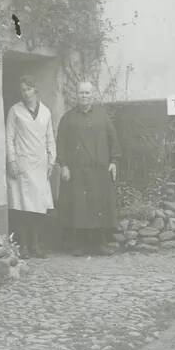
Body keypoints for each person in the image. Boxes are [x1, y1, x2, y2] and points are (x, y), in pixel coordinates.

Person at [56, 80, 121, 255]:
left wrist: (114, 161)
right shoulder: (68, 118)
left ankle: (99, 243)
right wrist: (63, 165)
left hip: (99, 170)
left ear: (92, 95)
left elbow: (112, 138)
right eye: (81, 93)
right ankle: (79, 245)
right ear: (76, 95)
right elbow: (60, 143)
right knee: (79, 208)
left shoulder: (102, 116)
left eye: (87, 93)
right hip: (77, 171)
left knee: (99, 207)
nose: (84, 96)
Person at [6, 76, 56, 258]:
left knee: (38, 208)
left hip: (40, 165)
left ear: (35, 90)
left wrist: (51, 161)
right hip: (22, 164)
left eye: (28, 89)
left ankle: (36, 245)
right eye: (23, 90)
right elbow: (9, 138)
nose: (25, 93)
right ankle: (24, 246)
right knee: (23, 208)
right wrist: (11, 161)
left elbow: (50, 138)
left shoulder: (46, 112)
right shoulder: (15, 111)